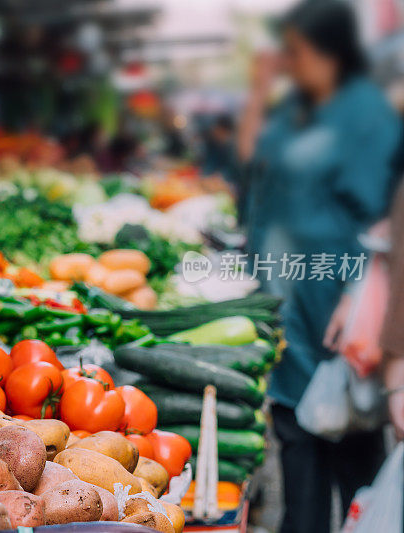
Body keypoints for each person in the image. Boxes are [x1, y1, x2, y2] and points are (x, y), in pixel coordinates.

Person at [235, 2, 401, 532]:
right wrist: (260, 89)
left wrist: (360, 297)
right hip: (289, 316)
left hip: (339, 316)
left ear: (331, 53)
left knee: (355, 459)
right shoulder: (291, 111)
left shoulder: (366, 115)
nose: (287, 61)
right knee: (299, 462)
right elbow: (252, 159)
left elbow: (383, 220)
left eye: (296, 51)